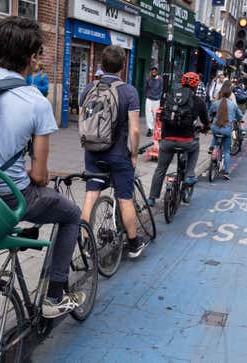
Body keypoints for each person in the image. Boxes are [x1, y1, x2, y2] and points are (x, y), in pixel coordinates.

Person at [0, 18, 86, 352]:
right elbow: (39, 177)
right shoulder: (35, 101)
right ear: (33, 56)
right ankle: (54, 294)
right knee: (70, 214)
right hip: (12, 198)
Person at [80, 45, 148, 258]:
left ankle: (85, 245)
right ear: (123, 66)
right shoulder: (129, 91)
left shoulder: (89, 88)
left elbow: (84, 120)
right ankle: (134, 244)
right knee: (124, 198)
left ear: (102, 64)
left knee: (91, 195)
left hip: (92, 152)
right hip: (118, 154)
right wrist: (134, 154)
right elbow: (135, 130)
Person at [147, 72, 209, 205]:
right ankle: (189, 175)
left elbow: (162, 115)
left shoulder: (170, 96)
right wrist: (205, 129)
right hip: (186, 142)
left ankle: (152, 198)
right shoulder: (199, 101)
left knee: (161, 168)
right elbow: (206, 121)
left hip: (167, 141)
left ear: (181, 82)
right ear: (196, 85)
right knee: (196, 146)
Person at [209, 85, 243, 180]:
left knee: (215, 137)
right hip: (227, 130)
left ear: (221, 93)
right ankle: (227, 172)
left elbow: (210, 113)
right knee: (227, 151)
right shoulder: (233, 105)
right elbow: (240, 115)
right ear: (229, 94)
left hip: (216, 129)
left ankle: (213, 149)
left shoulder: (216, 103)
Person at [144, 66, 163, 137]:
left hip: (156, 99)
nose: (153, 72)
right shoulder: (148, 79)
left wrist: (159, 96)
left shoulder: (160, 79)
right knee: (148, 114)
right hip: (149, 98)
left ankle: (156, 129)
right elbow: (146, 88)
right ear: (151, 72)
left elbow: (161, 88)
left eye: (155, 71)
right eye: (152, 71)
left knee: (155, 115)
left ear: (157, 72)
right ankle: (149, 129)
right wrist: (147, 95)